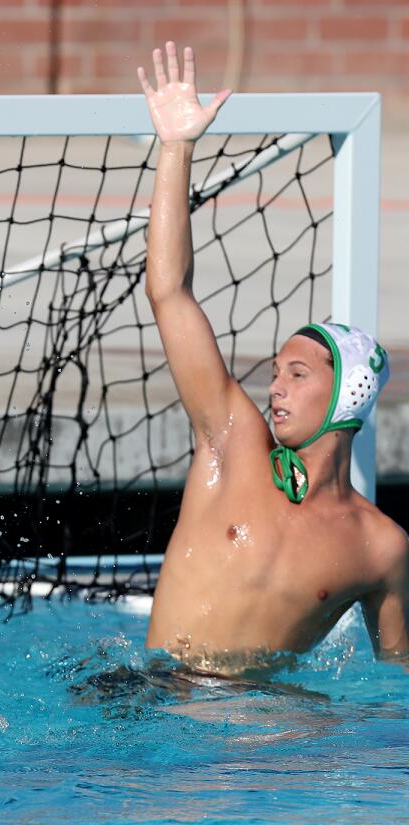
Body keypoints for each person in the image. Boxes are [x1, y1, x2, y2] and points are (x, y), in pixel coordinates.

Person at [137, 42, 408, 673]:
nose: (274, 388)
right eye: (275, 371)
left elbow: (396, 688)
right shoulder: (233, 444)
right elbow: (168, 291)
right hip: (153, 703)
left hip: (259, 730)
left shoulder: (380, 547)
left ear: (346, 395)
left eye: (297, 372)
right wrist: (176, 147)